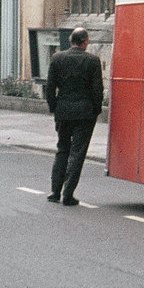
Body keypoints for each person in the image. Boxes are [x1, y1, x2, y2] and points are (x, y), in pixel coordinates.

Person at [44, 27, 103, 206]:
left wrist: (54, 107)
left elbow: (49, 87)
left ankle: (55, 191)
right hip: (84, 113)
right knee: (77, 153)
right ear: (85, 42)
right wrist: (95, 110)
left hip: (63, 111)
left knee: (62, 149)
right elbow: (97, 90)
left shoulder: (57, 58)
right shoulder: (92, 61)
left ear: (71, 41)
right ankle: (68, 194)